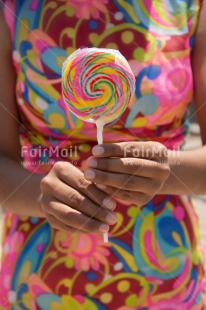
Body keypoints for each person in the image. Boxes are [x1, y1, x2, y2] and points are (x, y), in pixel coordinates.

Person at [0, 0, 206, 308]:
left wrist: (170, 169)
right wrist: (41, 196)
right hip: (39, 281)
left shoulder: (191, 6)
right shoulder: (14, 8)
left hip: (165, 275)